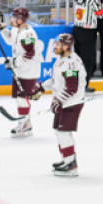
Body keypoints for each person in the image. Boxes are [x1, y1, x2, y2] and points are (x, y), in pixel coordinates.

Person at [27, 33, 86, 177]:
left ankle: (71, 164)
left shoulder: (71, 63)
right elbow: (57, 80)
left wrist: (59, 100)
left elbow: (71, 87)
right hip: (65, 102)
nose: (55, 46)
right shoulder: (62, 60)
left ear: (66, 46)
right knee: (60, 132)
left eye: (58, 44)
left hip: (71, 103)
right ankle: (66, 160)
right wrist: (41, 87)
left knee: (64, 132)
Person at [0, 8, 39, 137]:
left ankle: (25, 124)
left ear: (20, 19)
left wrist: (13, 63)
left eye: (14, 17)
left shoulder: (28, 34)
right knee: (19, 98)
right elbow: (10, 39)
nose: (12, 19)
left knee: (21, 98)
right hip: (20, 70)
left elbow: (29, 54)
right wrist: (3, 29)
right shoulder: (16, 30)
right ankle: (25, 122)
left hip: (29, 71)